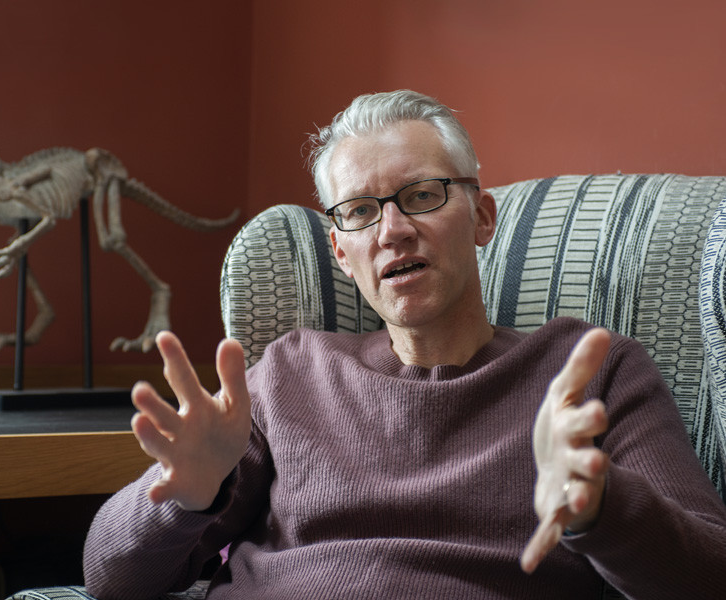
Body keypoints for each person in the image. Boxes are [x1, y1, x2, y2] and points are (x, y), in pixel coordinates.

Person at [82, 90, 726, 599]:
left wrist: (603, 508)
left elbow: (709, 577)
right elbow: (110, 581)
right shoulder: (289, 373)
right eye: (360, 211)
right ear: (340, 252)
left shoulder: (591, 374)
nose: (392, 230)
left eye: (421, 195)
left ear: (481, 217)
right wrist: (185, 494)